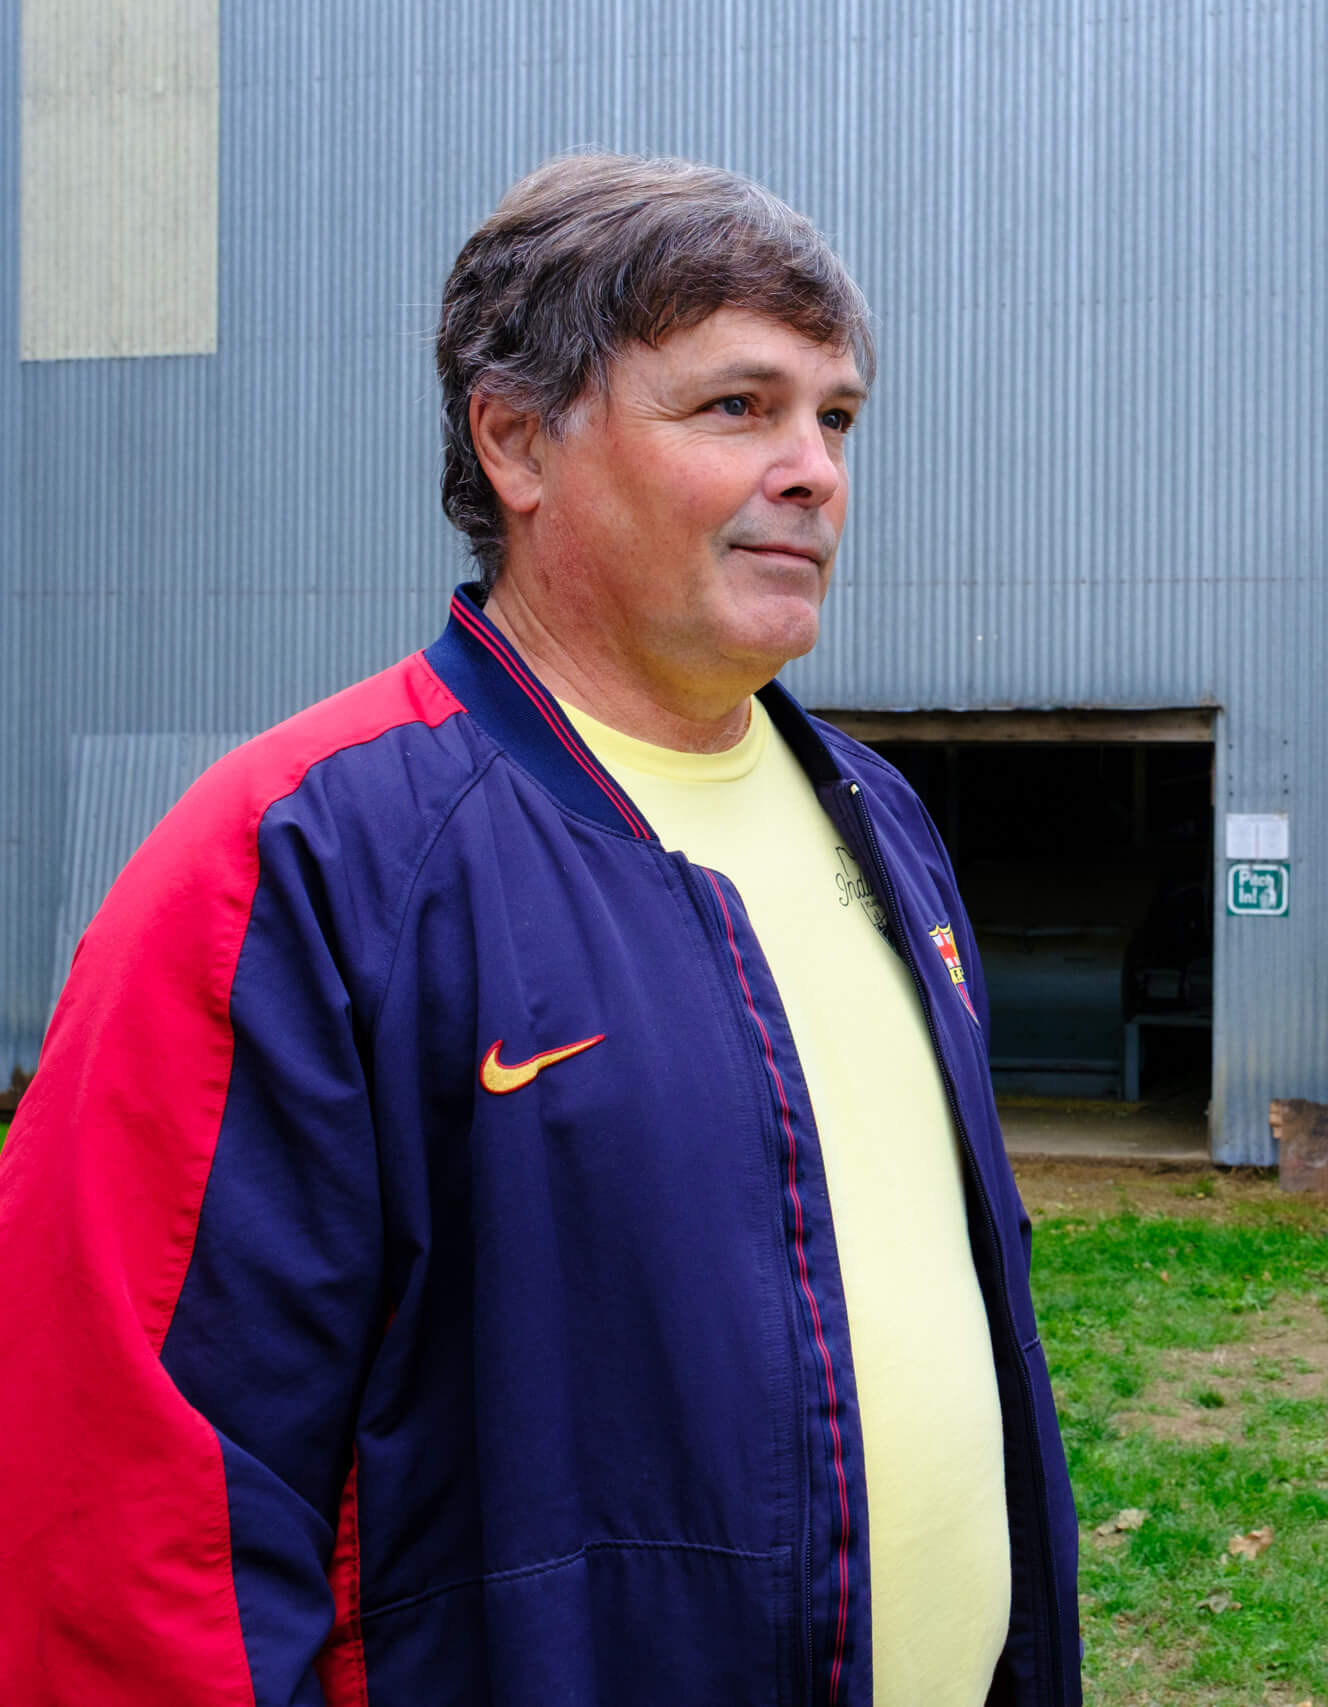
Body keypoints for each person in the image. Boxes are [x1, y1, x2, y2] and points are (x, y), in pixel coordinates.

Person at [0, 154, 1081, 1706]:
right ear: (515, 437)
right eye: (737, 407)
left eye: (834, 416)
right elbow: (126, 1520)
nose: (816, 469)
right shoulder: (297, 860)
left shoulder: (883, 825)